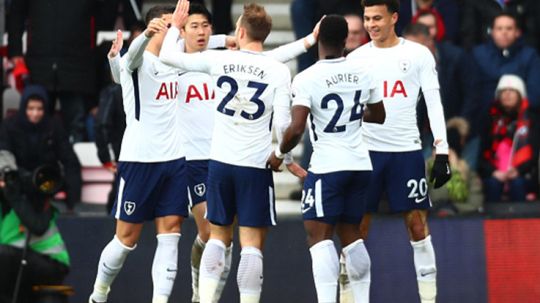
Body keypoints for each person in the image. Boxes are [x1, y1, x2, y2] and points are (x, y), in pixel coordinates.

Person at [160, 1, 306, 302]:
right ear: (264, 34)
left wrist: (176, 26)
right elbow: (282, 124)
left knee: (217, 237)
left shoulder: (220, 62)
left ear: (240, 31)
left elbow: (169, 56)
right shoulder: (277, 70)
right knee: (251, 245)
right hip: (254, 165)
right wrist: (282, 155)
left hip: (220, 164)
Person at [346, 1, 451, 302]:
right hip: (365, 153)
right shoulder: (355, 59)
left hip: (406, 152)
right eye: (366, 19)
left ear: (394, 17)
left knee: (417, 227)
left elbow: (433, 101)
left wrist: (441, 151)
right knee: (357, 231)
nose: (370, 25)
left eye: (376, 18)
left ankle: (429, 299)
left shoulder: (417, 54)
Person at [278, 15, 385, 302]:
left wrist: (279, 153)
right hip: (360, 164)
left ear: (319, 40)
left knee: (318, 237)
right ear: (344, 40)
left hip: (328, 167)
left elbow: (296, 128)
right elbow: (379, 115)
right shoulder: (364, 72)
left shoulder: (307, 77)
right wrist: (353, 110)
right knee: (351, 234)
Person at [88, 6, 190, 303]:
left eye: (179, 25)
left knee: (171, 233)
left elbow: (205, 44)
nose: (179, 30)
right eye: (172, 24)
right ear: (155, 27)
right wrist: (144, 35)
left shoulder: (176, 60)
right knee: (126, 239)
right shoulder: (139, 59)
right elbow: (128, 60)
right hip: (139, 160)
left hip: (174, 160)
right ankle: (99, 294)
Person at [7, 0, 103, 143]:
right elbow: (16, 14)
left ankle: (73, 164)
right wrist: (15, 51)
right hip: (40, 65)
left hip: (77, 66)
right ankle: (39, 164)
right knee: (37, 125)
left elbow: (103, 15)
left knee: (76, 127)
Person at [0, 150, 69, 303]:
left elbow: (38, 226)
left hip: (50, 261)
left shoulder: (29, 196)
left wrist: (14, 196)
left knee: (2, 255)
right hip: (16, 264)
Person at [0, 85, 82, 211]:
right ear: (23, 107)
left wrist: (72, 201)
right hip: (18, 183)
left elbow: (69, 160)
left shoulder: (54, 126)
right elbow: (5, 154)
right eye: (30, 108)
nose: (35, 113)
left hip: (47, 183)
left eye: (39, 109)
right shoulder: (9, 126)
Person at [479, 74, 538, 202]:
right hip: (496, 173)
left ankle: (523, 221)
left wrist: (518, 171)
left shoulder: (531, 120)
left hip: (523, 174)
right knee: (492, 184)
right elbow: (482, 156)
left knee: (518, 184)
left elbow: (534, 154)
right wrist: (494, 172)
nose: (507, 94)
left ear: (520, 95)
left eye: (512, 91)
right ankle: (491, 221)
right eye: (503, 91)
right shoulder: (490, 120)